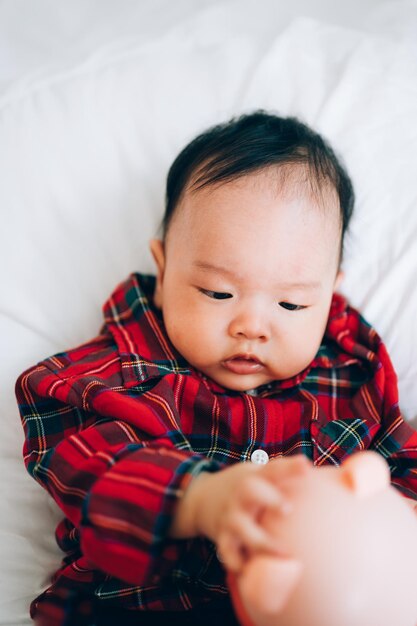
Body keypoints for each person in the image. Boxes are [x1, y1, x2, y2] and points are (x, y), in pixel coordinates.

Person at [15, 110, 417, 626]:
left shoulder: (352, 375)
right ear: (163, 273)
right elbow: (84, 470)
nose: (252, 325)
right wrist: (201, 499)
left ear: (329, 292)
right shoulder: (109, 375)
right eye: (217, 292)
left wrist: (395, 523)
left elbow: (401, 461)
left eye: (291, 305)